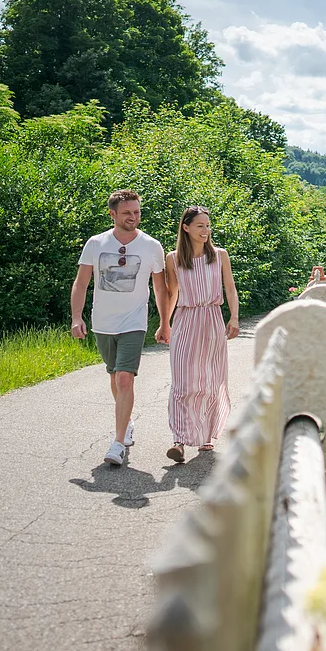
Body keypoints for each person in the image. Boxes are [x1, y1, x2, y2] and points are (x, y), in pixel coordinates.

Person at [71, 189, 169, 466]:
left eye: (137, 212)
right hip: (103, 321)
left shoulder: (151, 246)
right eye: (127, 213)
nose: (134, 217)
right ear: (112, 214)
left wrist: (164, 322)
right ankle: (126, 422)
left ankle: (117, 443)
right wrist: (76, 317)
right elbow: (81, 283)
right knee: (114, 377)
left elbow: (160, 288)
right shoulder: (96, 243)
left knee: (125, 377)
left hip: (134, 321)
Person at [163, 206, 239, 463]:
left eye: (208, 226)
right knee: (183, 382)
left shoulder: (219, 255)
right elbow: (172, 293)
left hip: (212, 320)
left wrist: (234, 317)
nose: (206, 231)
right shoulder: (173, 258)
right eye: (200, 226)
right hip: (185, 321)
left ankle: (206, 434)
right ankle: (179, 440)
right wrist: (165, 324)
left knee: (209, 380)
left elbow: (230, 287)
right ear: (186, 227)